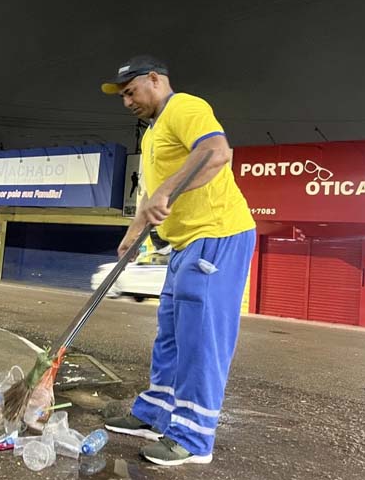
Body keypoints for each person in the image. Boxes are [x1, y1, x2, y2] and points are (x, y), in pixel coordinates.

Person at [100, 56, 256, 466]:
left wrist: (167, 190)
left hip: (218, 235)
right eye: (122, 96)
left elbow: (216, 152)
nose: (127, 102)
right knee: (170, 333)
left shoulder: (184, 107)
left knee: (200, 338)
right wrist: (133, 234)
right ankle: (154, 413)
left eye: (131, 91)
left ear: (155, 79)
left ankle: (192, 436)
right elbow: (153, 197)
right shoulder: (153, 133)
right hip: (185, 243)